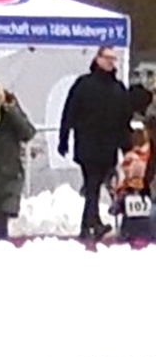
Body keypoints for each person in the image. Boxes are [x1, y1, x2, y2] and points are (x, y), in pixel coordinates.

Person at [58, 45, 133, 242]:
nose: (110, 62)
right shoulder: (84, 84)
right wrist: (63, 138)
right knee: (93, 184)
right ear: (97, 58)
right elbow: (70, 112)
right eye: (107, 57)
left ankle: (89, 225)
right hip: (88, 146)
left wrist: (127, 148)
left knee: (94, 186)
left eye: (113, 59)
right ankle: (92, 224)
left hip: (108, 148)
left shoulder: (118, 89)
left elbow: (124, 121)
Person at [0, 82, 36, 241]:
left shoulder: (9, 110)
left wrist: (9, 108)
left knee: (1, 219)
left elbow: (28, 132)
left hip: (6, 169)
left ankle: (1, 245)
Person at [112, 126, 152, 246]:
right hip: (146, 190)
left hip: (130, 189)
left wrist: (118, 189)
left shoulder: (129, 157)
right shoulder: (150, 156)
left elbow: (122, 176)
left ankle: (126, 231)